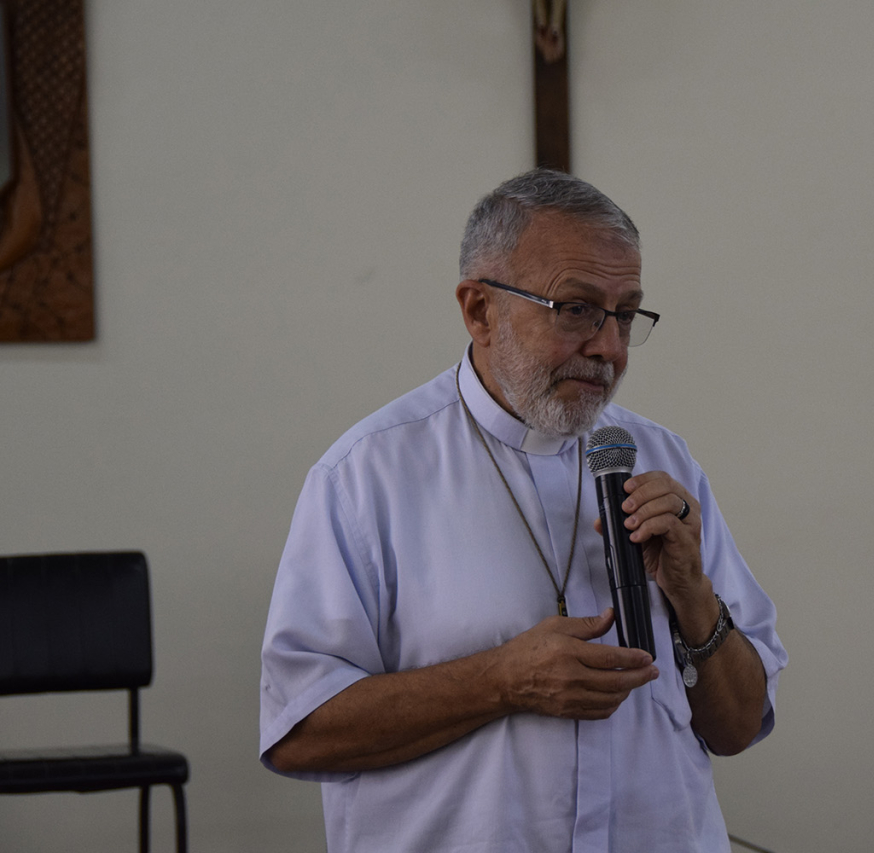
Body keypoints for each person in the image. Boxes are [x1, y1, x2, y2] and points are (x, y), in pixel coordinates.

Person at [259, 168, 787, 853]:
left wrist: (693, 596)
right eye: (577, 309)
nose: (609, 347)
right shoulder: (367, 477)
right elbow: (299, 732)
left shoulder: (663, 460)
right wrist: (500, 681)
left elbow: (739, 726)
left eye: (626, 315)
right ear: (480, 310)